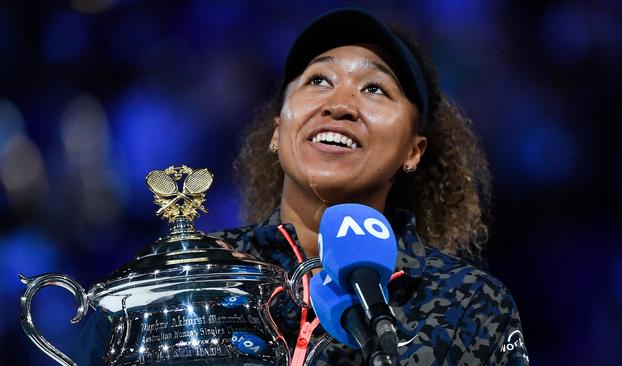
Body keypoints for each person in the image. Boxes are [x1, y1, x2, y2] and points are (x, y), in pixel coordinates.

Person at [72, 8, 529, 366]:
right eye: (318, 80)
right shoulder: (194, 278)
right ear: (277, 130)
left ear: (414, 150)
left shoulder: (467, 303)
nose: (340, 103)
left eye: (374, 89)